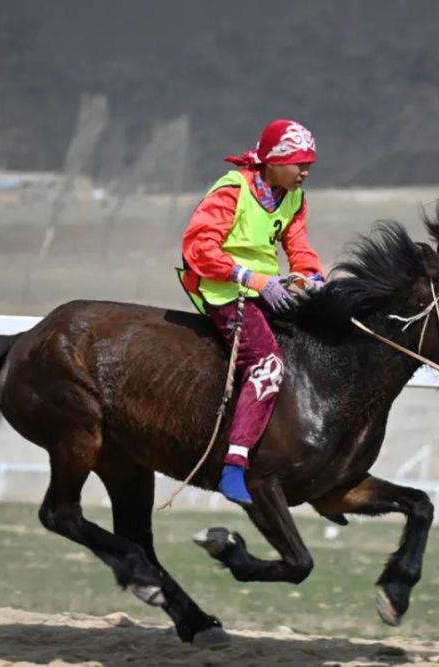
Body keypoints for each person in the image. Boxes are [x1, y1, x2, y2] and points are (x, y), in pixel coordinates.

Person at [178, 119, 325, 505]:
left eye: (309, 163)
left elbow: (299, 247)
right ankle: (234, 464)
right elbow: (199, 249)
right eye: (298, 163)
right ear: (273, 162)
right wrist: (255, 281)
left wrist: (313, 278)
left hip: (266, 288)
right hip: (223, 289)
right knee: (268, 365)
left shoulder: (294, 197)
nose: (305, 171)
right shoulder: (231, 190)